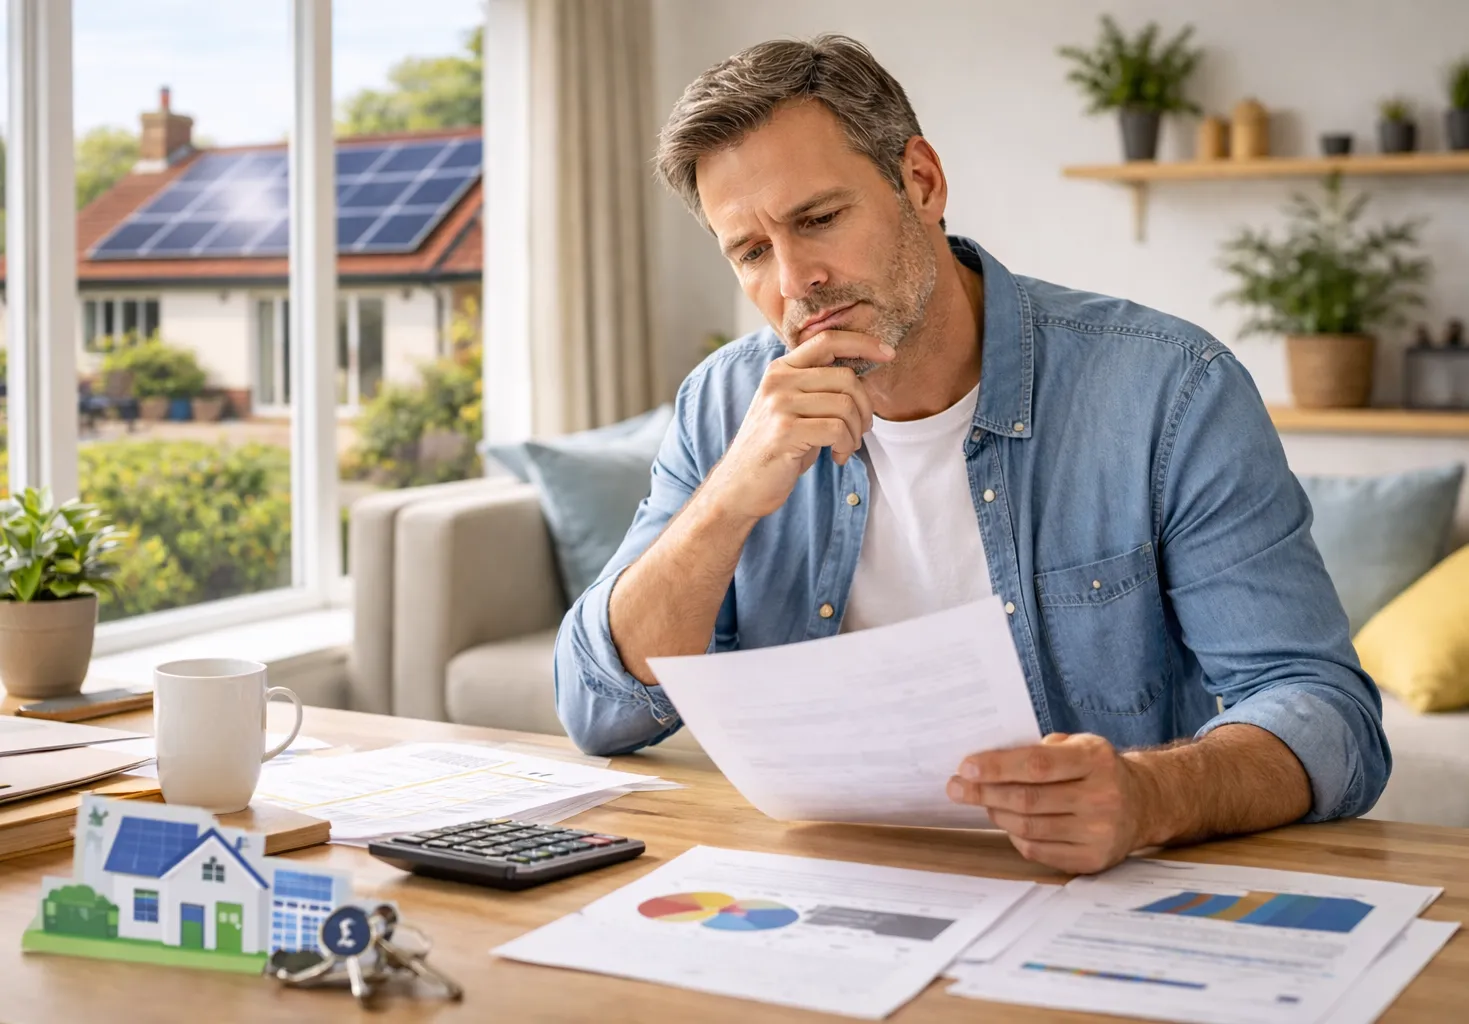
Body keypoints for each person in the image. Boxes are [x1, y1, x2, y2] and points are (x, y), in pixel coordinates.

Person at [553, 35, 1389, 874]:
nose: (795, 278)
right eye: (752, 251)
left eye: (818, 219)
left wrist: (1149, 796)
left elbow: (1324, 711)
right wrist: (727, 500)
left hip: (1090, 903)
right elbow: (599, 710)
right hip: (814, 895)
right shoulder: (724, 404)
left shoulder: (1169, 390)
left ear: (919, 181)